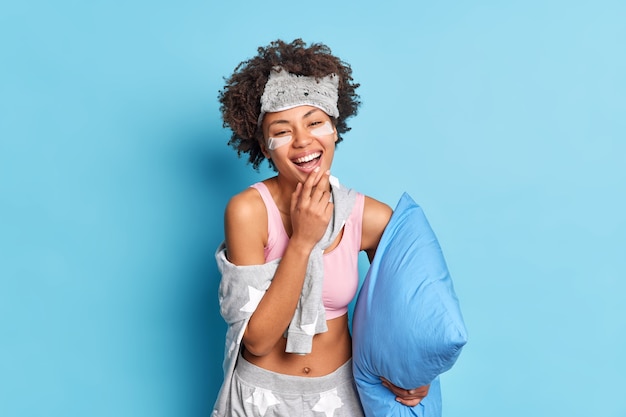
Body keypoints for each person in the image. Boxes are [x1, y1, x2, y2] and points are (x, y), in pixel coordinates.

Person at [213, 39, 429, 417]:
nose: (302, 141)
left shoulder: (369, 217)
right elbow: (258, 341)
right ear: (265, 146)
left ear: (334, 129)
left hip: (340, 398)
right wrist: (303, 240)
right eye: (283, 130)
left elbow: (403, 316)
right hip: (261, 398)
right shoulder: (248, 212)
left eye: (315, 122)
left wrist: (412, 372)